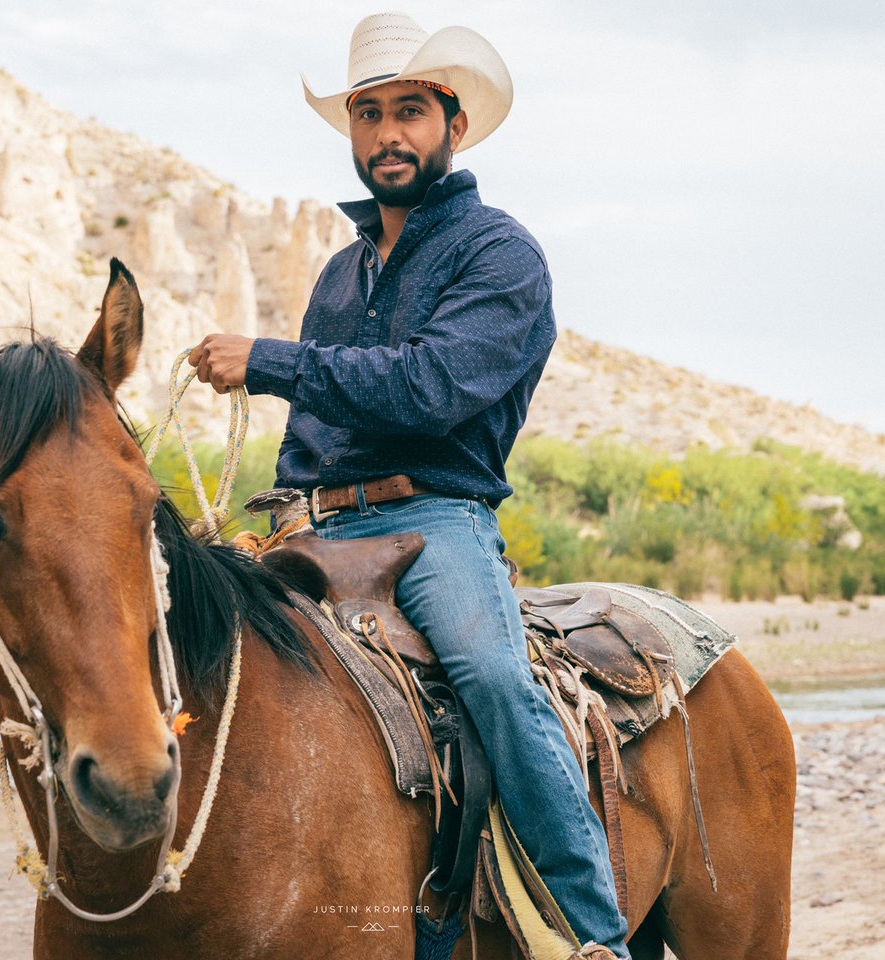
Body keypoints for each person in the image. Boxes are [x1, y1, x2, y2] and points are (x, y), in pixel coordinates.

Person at [188, 12, 629, 958]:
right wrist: (269, 510)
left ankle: (595, 936)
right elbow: (315, 427)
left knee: (493, 680)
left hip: (434, 519)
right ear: (351, 129)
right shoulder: (341, 274)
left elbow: (429, 389)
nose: (388, 134)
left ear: (453, 126)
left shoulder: (499, 254)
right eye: (369, 114)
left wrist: (270, 359)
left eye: (410, 112)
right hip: (312, 528)